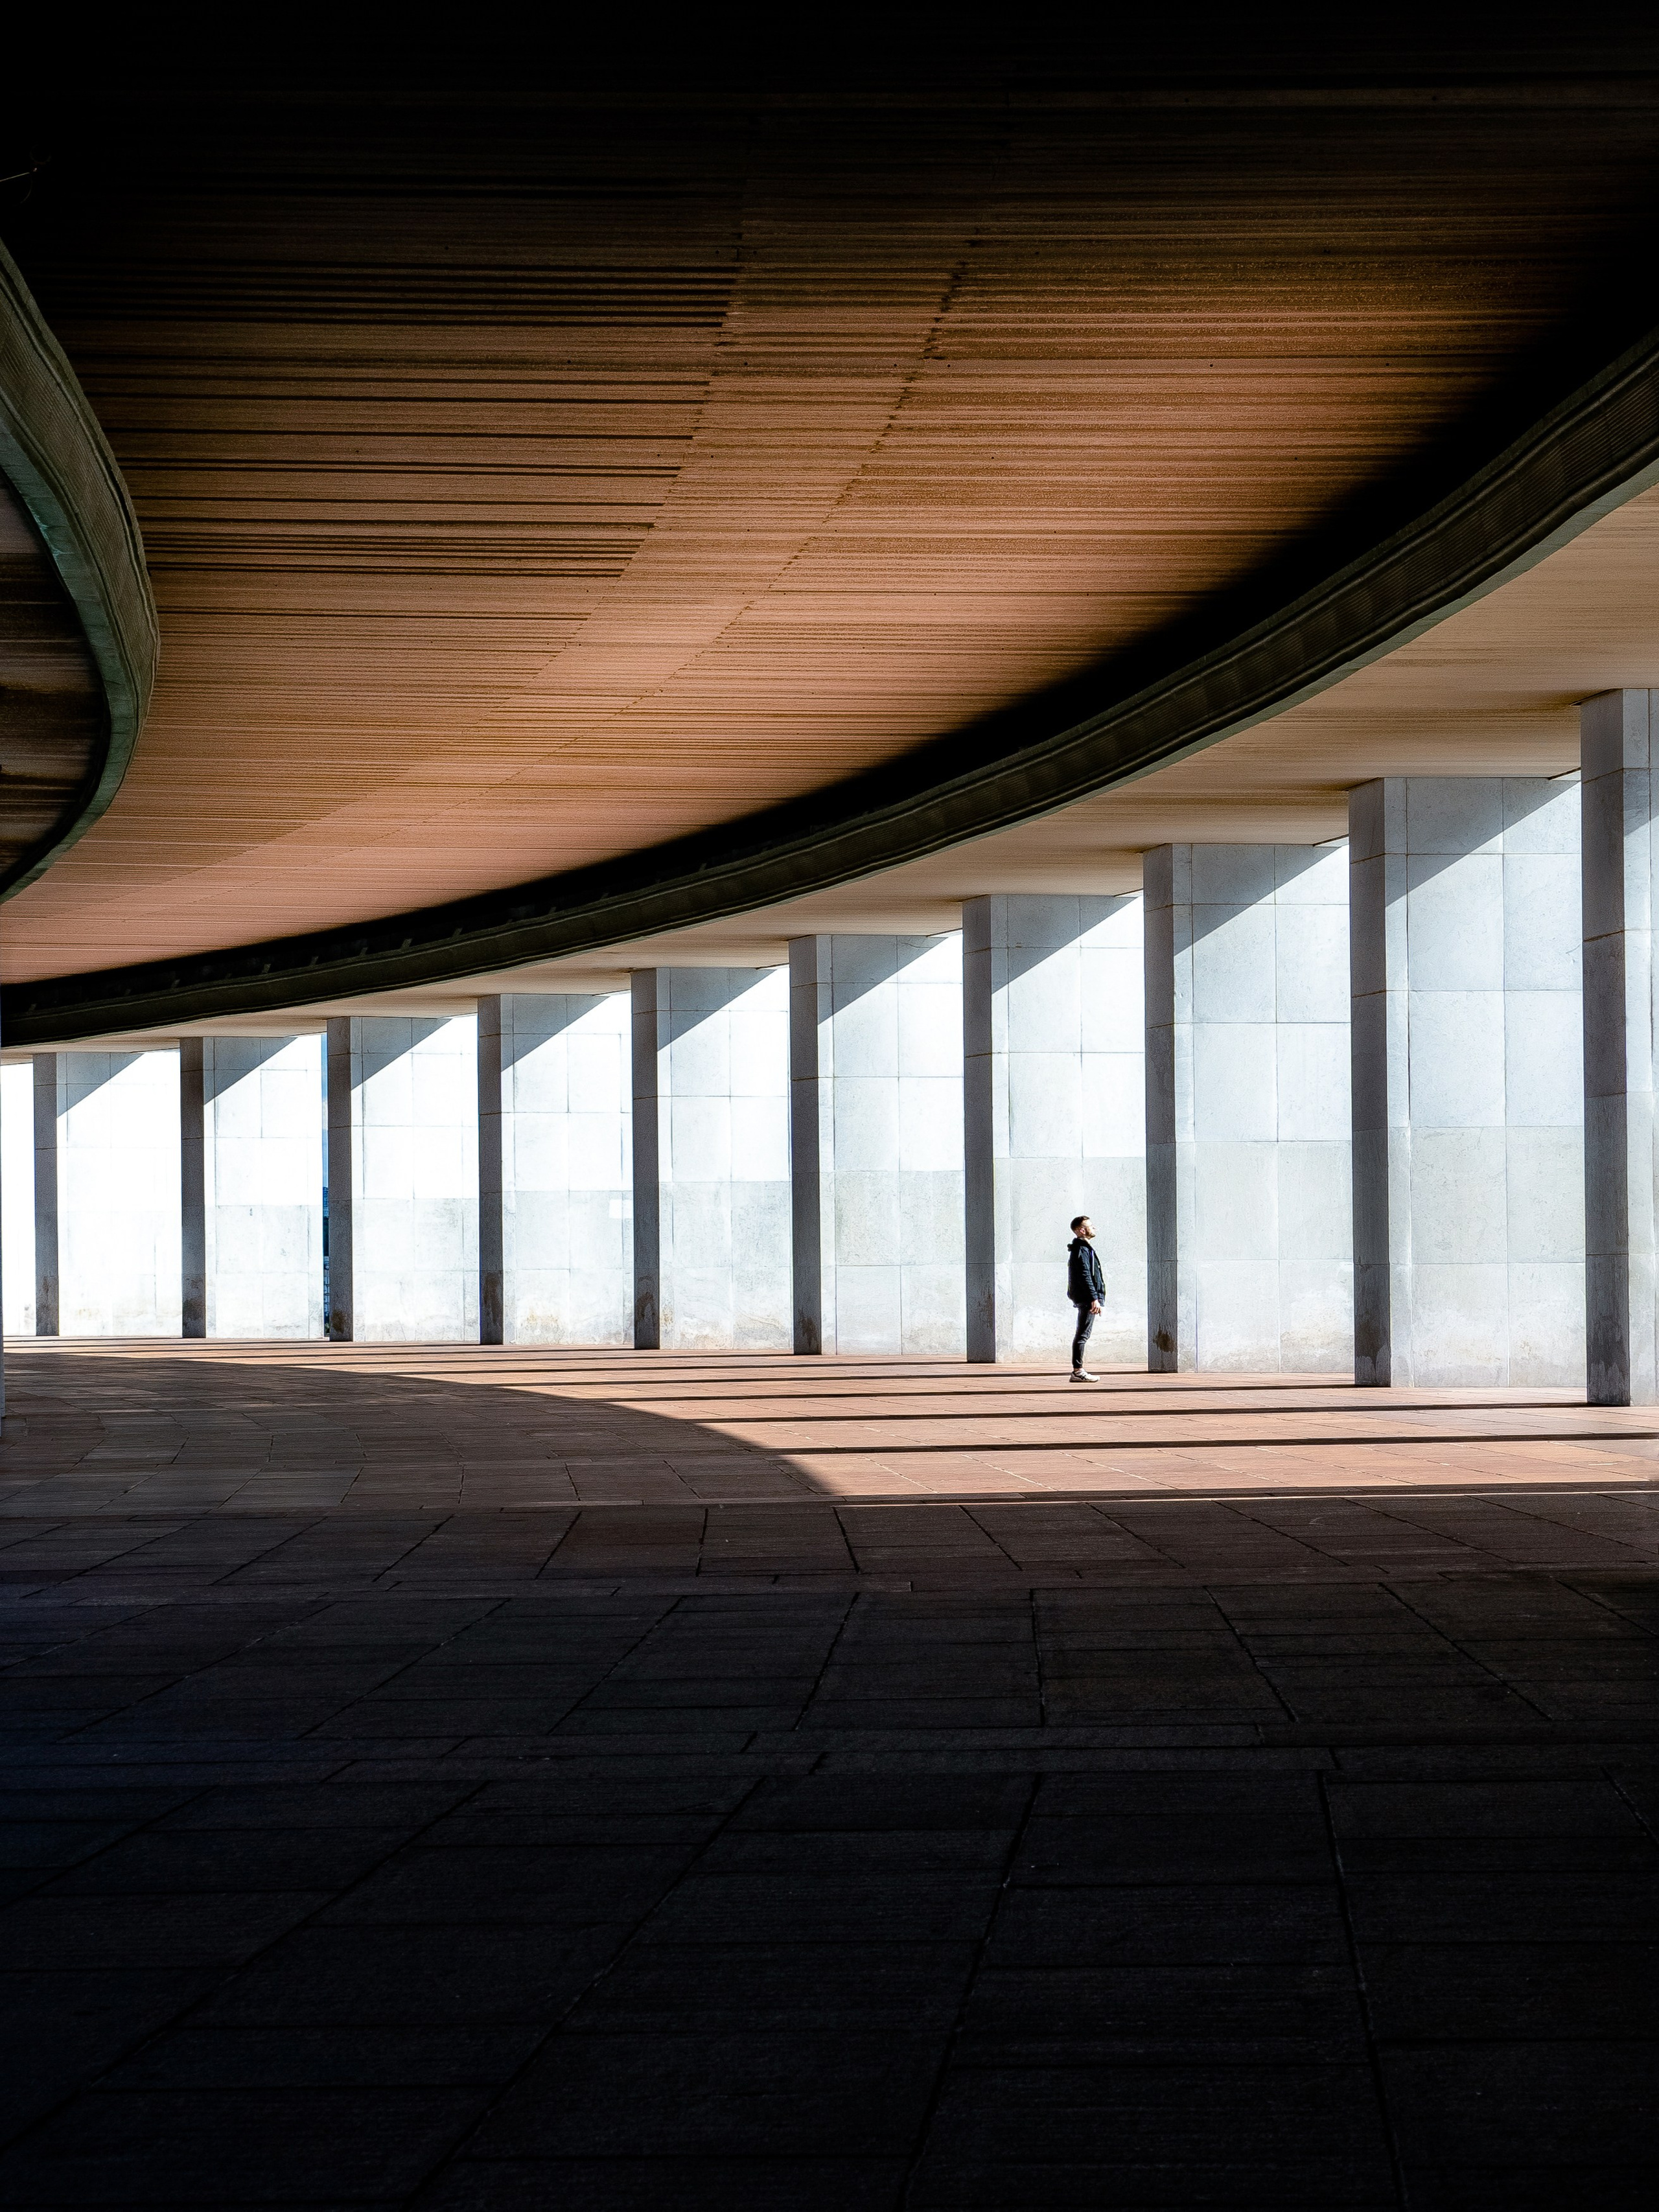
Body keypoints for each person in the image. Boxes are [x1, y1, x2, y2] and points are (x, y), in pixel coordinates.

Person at [1066, 1214, 1105, 1381]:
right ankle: (1077, 1371)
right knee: (1082, 1335)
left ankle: (1078, 1370)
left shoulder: (1084, 1248)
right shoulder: (1081, 1249)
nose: (1094, 1227)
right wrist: (1094, 1298)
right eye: (1090, 1225)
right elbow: (1085, 1275)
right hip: (1087, 1298)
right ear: (1081, 1230)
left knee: (1083, 1333)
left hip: (1087, 1297)